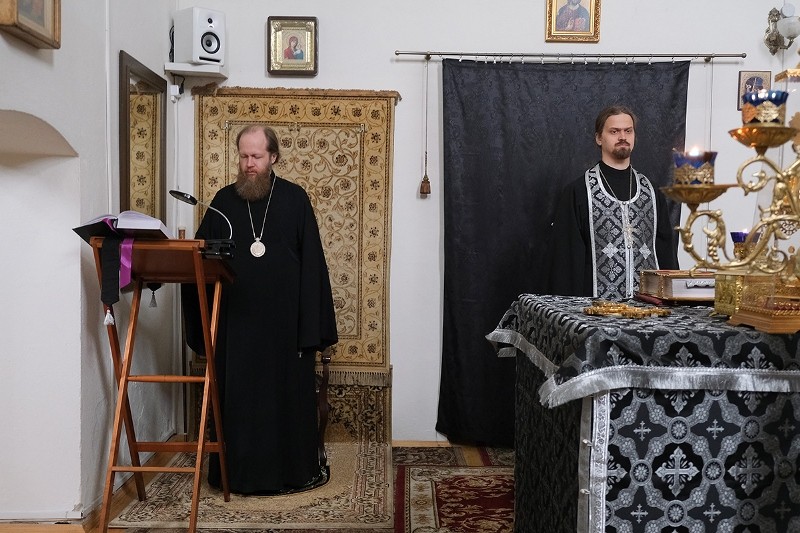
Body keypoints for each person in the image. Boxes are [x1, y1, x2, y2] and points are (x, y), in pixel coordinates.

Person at [183, 124, 338, 494]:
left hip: (285, 329)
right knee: (240, 405)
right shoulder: (222, 202)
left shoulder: (295, 199)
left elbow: (313, 266)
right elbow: (200, 260)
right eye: (243, 156)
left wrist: (311, 329)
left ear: (273, 157)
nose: (249, 164)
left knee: (284, 403)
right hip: (236, 328)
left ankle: (293, 474)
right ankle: (235, 476)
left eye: (256, 156)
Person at [546, 105, 679, 299]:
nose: (622, 137)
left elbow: (666, 254)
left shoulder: (651, 191)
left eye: (628, 131)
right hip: (595, 310)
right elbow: (565, 263)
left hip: (648, 310)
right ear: (599, 138)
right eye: (614, 131)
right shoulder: (579, 191)